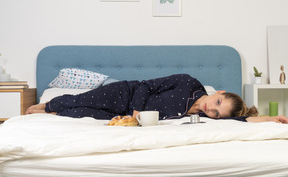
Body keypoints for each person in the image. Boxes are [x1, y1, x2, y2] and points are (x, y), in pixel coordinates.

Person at [26, 74, 288, 123]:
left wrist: (271, 118)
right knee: (79, 100)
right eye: (217, 103)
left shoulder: (196, 116)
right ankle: (45, 105)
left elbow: (241, 121)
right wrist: (137, 110)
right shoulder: (189, 83)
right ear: (218, 92)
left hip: (128, 117)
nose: (212, 109)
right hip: (125, 93)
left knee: (83, 113)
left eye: (217, 113)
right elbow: (144, 85)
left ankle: (52, 113)